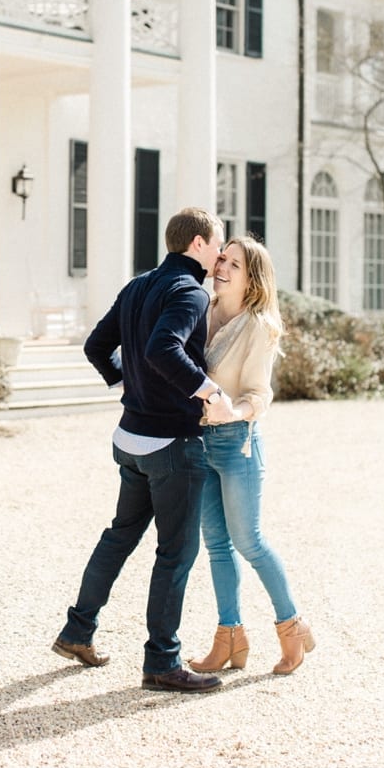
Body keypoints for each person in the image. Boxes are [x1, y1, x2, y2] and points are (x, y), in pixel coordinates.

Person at [52, 207, 228, 692]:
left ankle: (77, 631)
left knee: (119, 537)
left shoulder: (137, 286)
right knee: (175, 554)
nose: (220, 252)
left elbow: (95, 345)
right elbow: (162, 348)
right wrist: (209, 391)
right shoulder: (190, 291)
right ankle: (162, 663)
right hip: (171, 443)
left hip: (130, 439)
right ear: (196, 243)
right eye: (217, 243)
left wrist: (126, 380)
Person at [187, 236, 315, 676]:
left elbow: (260, 394)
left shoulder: (260, 324)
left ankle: (292, 627)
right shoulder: (202, 309)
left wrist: (230, 410)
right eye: (221, 258)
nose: (221, 266)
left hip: (237, 443)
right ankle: (230, 638)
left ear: (252, 279)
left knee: (249, 542)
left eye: (234, 264)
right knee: (216, 547)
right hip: (199, 443)